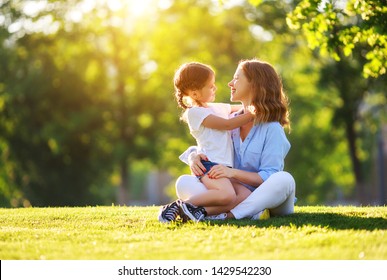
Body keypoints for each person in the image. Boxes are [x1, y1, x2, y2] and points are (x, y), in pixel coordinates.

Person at [160, 58, 296, 223]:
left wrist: (232, 172)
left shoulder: (271, 128)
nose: (230, 83)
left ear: (255, 84)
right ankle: (232, 212)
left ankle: (228, 214)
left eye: (237, 78)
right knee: (184, 182)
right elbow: (210, 143)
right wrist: (194, 156)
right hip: (233, 192)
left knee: (284, 179)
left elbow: (269, 176)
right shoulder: (228, 120)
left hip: (266, 196)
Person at [158, 62, 254, 223]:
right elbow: (228, 125)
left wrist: (256, 104)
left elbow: (238, 109)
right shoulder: (195, 113)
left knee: (245, 196)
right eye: (210, 86)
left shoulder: (216, 107)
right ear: (195, 94)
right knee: (228, 195)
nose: (215, 88)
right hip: (209, 163)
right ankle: (179, 206)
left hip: (225, 167)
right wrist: (254, 114)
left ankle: (198, 212)